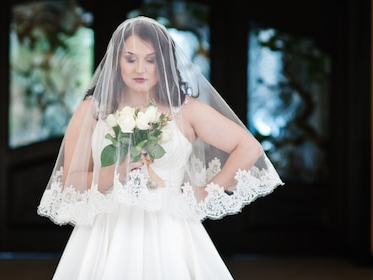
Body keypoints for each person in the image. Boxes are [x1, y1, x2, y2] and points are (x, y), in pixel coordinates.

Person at [38, 16, 283, 279]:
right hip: (106, 233)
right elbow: (70, 182)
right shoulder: (93, 111)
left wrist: (205, 192)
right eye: (130, 59)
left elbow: (249, 147)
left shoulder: (185, 110)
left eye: (151, 60)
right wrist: (113, 174)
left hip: (171, 234)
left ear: (163, 62)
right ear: (116, 62)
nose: (139, 69)